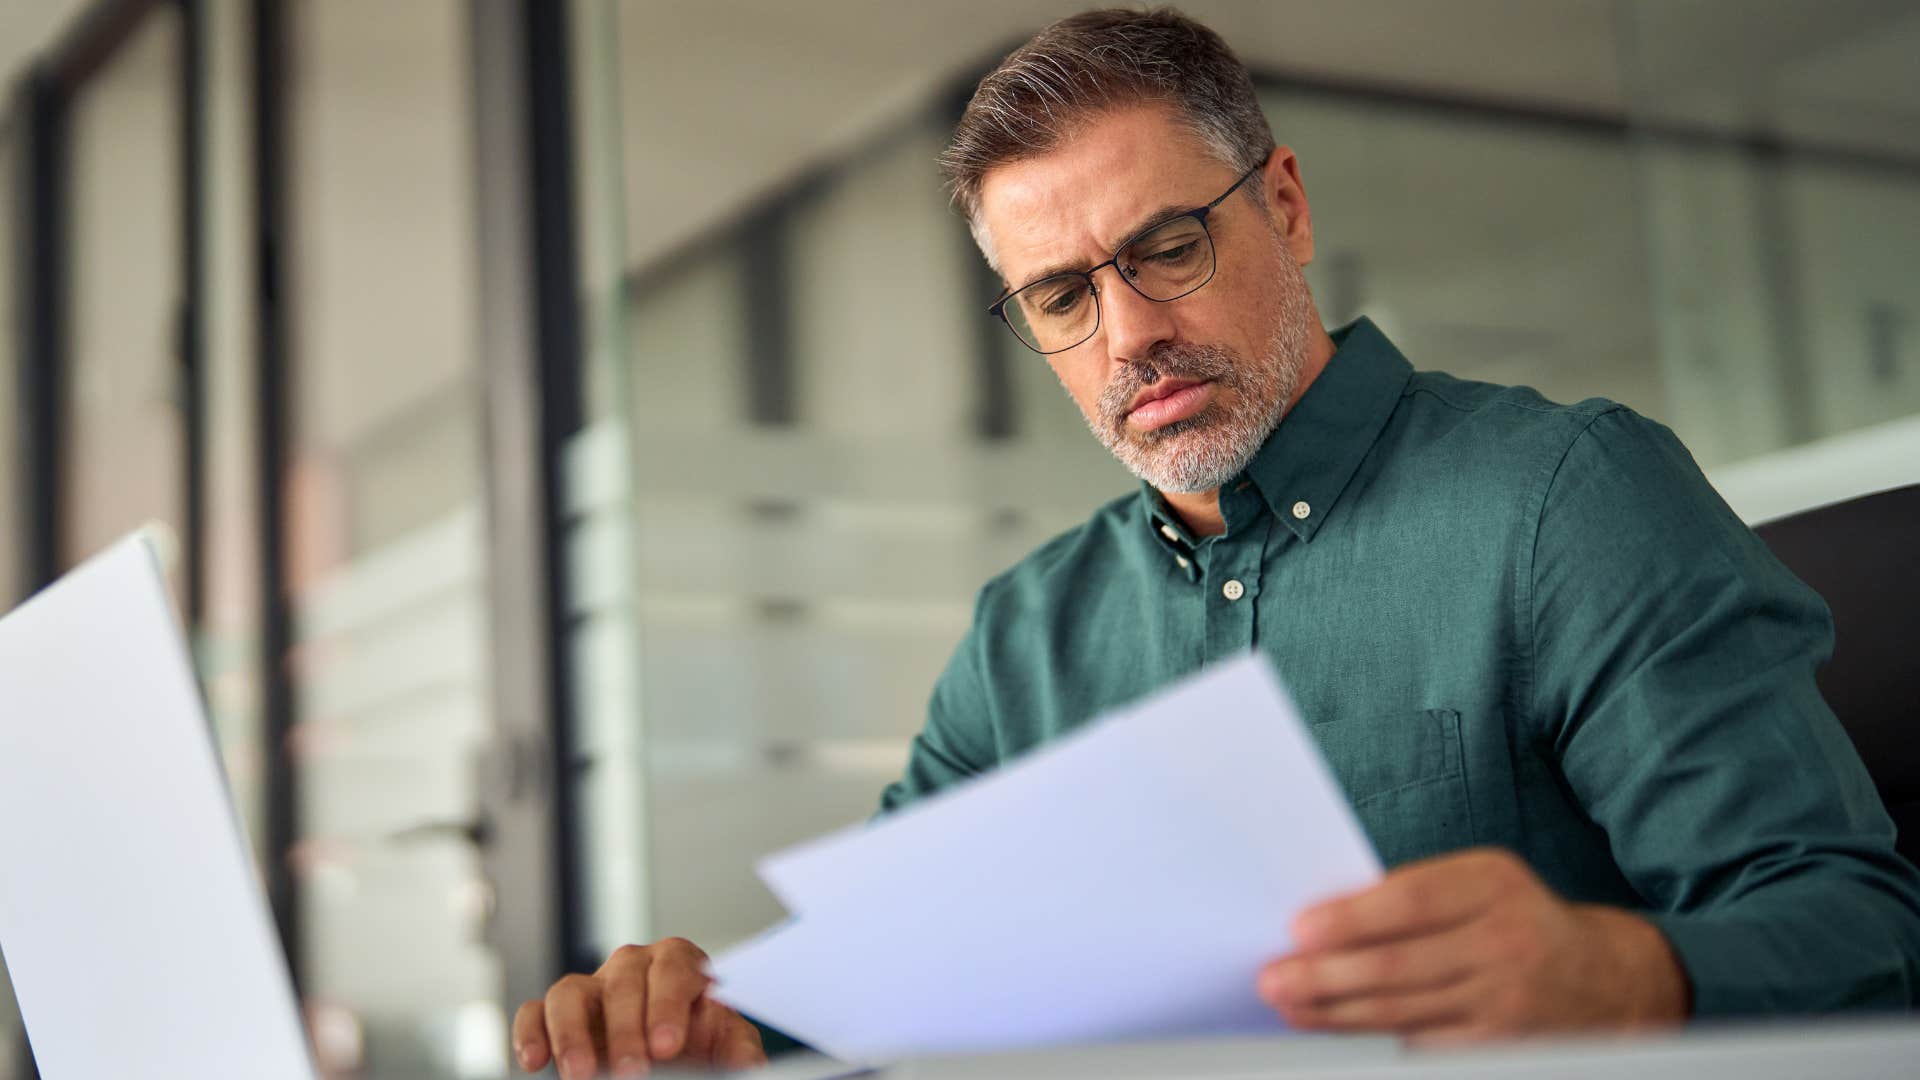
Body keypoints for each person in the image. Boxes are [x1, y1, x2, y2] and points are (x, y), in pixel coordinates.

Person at [513, 8, 1920, 1076]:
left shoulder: (1564, 498)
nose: (1128, 334)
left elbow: (1856, 925)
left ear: (1287, 207)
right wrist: (732, 1029)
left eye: (1168, 246)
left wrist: (1624, 977)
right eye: (1061, 295)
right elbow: (892, 977)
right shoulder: (1025, 639)